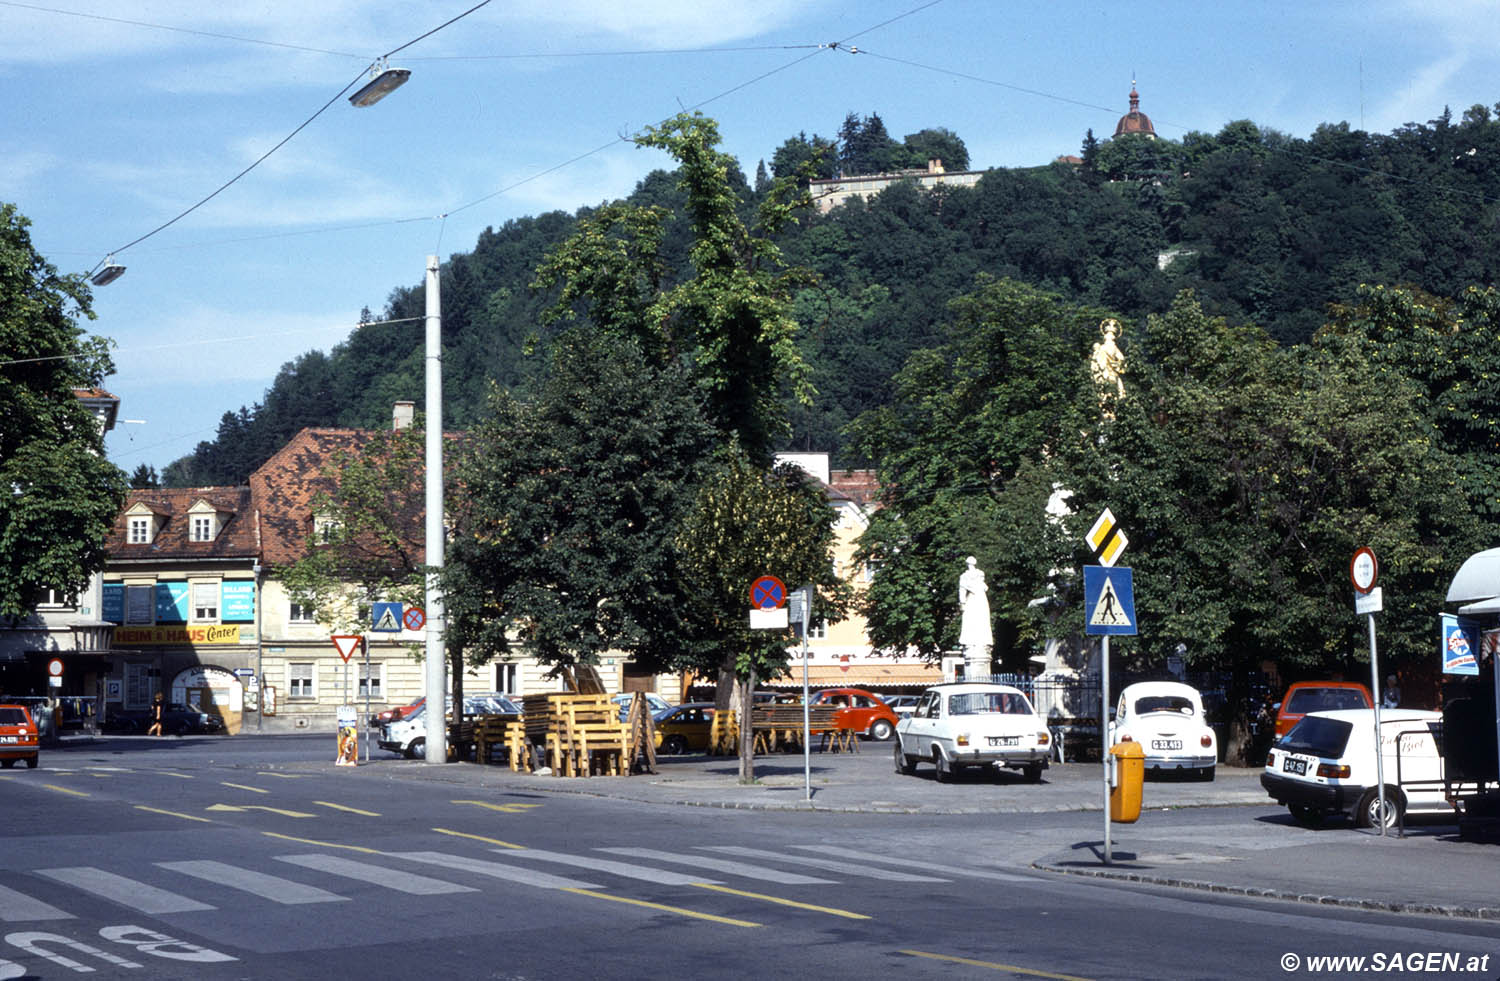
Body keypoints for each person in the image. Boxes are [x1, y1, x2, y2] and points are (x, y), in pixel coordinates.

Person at [958, 556, 993, 649]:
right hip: (978, 598)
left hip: (976, 598)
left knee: (977, 618)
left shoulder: (966, 576)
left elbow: (962, 591)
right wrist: (962, 603)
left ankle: (980, 640)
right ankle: (975, 640)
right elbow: (985, 587)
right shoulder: (976, 574)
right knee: (976, 618)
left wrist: (962, 603)